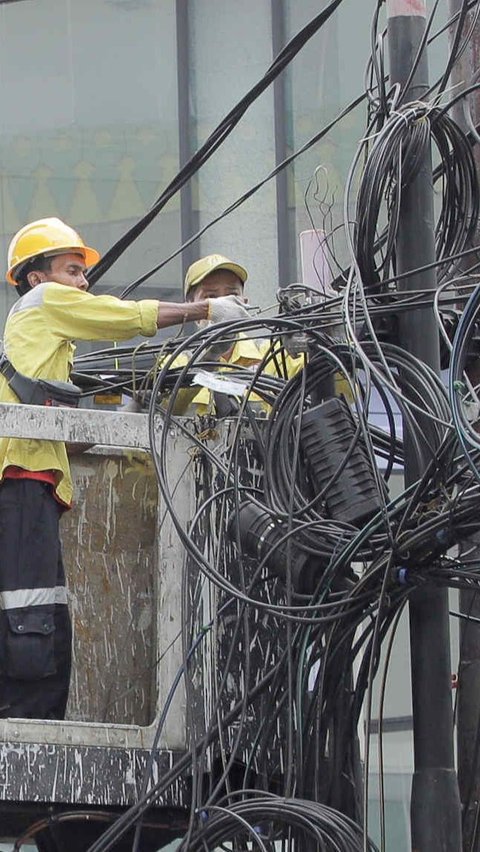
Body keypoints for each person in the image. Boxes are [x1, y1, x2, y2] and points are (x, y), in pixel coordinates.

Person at [0, 219, 251, 720]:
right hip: (22, 483)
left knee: (40, 611)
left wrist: (125, 415)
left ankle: (29, 722)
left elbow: (64, 437)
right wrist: (202, 309)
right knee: (31, 615)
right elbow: (121, 317)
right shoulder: (43, 304)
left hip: (32, 482)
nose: (83, 282)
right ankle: (27, 730)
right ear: (36, 278)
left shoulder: (41, 349)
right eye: (73, 270)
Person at [165, 253, 304, 416]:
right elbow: (160, 412)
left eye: (232, 295)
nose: (224, 306)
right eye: (211, 297)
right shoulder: (176, 363)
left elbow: (328, 379)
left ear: (244, 304)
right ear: (190, 311)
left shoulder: (273, 355)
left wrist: (333, 338)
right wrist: (207, 358)